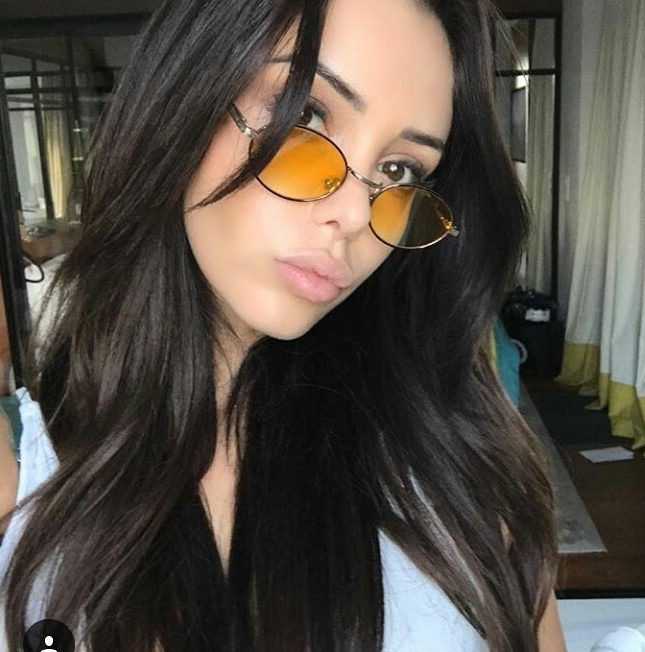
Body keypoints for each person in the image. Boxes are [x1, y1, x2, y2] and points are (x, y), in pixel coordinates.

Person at [0, 0, 566, 649]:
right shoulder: (25, 479)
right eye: (306, 116)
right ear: (182, 99)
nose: (356, 213)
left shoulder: (462, 469)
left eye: (399, 170)